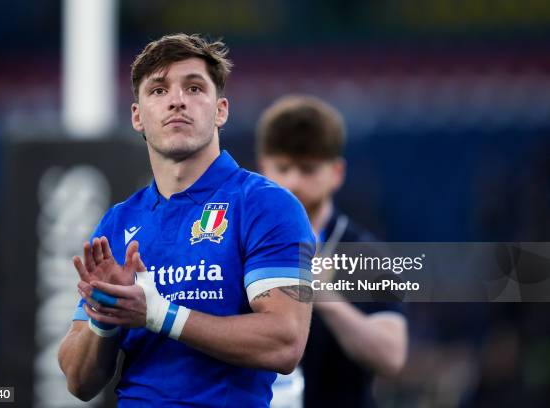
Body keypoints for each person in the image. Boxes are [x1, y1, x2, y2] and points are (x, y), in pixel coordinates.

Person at [57, 34, 316, 407]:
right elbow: (79, 383)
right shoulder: (119, 221)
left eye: (194, 87)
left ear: (221, 110)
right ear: (137, 116)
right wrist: (104, 315)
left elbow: (285, 341)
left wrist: (157, 313)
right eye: (159, 90)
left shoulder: (267, 205)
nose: (177, 99)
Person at [256, 95, 408, 407]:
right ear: (263, 169)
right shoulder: (243, 242)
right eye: (282, 168)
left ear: (336, 172)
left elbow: (392, 355)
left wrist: (325, 296)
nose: (293, 181)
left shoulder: (364, 254)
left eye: (308, 169)